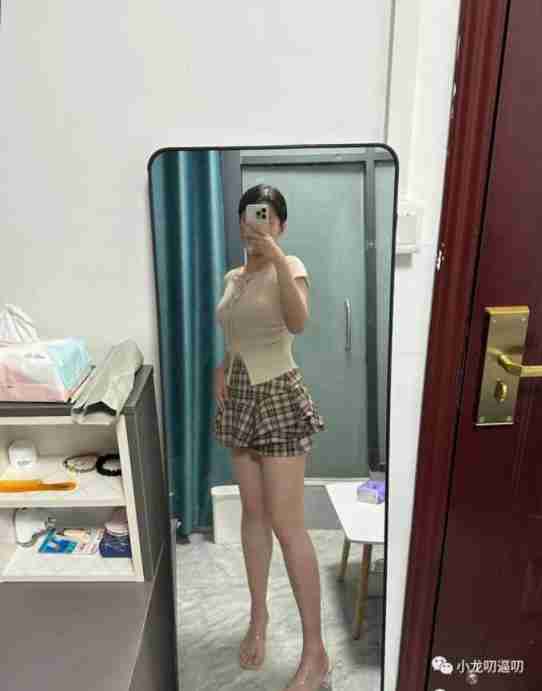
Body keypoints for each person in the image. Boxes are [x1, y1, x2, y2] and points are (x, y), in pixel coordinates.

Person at [214, 184, 331, 690]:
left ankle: (316, 651)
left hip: (279, 393)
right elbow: (234, 331)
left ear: (280, 224)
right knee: (253, 515)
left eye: (263, 217)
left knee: (288, 524)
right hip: (240, 395)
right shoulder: (232, 277)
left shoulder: (292, 265)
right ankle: (258, 616)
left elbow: (298, 323)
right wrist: (222, 367)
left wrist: (276, 256)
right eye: (246, 217)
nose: (252, 225)